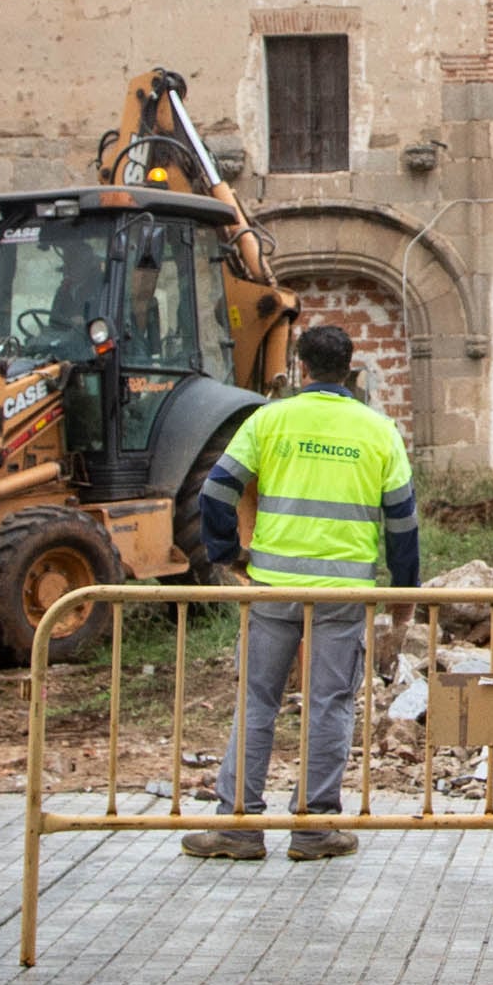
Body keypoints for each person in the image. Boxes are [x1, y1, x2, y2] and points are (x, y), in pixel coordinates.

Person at [182, 324, 416, 862]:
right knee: (329, 705)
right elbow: (403, 522)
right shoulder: (379, 431)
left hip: (271, 590)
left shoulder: (269, 420)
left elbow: (217, 490)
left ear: (301, 368)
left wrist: (225, 553)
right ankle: (313, 830)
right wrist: (404, 590)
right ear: (350, 371)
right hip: (343, 594)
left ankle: (239, 828)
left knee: (257, 701)